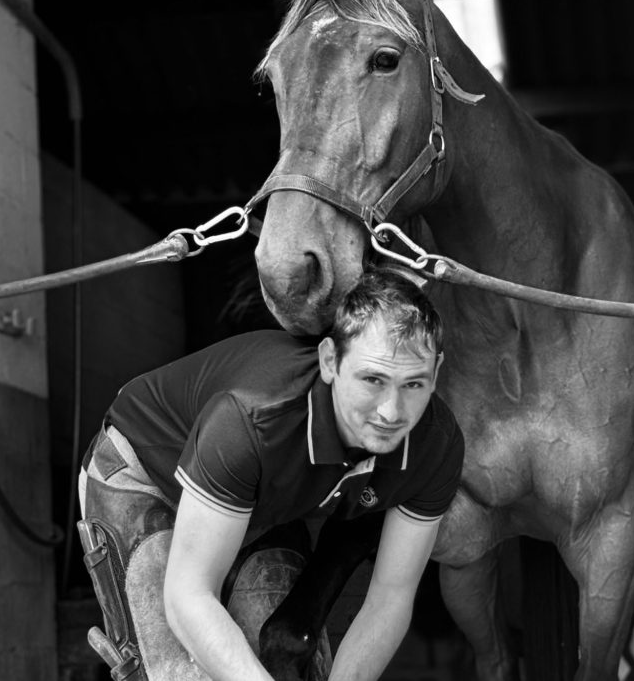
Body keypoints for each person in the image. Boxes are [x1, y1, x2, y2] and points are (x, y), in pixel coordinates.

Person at [77, 268, 464, 681]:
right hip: (146, 475)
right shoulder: (251, 417)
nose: (391, 412)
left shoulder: (436, 444)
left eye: (414, 385)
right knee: (182, 672)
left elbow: (389, 597)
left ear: (435, 372)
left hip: (250, 500)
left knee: (287, 664)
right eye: (373, 379)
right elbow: (187, 596)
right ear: (330, 360)